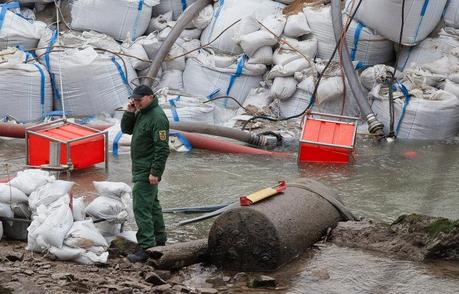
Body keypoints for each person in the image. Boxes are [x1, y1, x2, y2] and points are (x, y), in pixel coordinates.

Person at [121, 85, 170, 263]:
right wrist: (129, 112)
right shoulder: (142, 111)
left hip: (147, 170)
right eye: (134, 99)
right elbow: (127, 130)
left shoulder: (158, 118)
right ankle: (159, 240)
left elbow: (163, 148)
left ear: (150, 97)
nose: (136, 102)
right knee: (153, 206)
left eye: (139, 100)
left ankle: (146, 247)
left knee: (141, 207)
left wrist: (155, 172)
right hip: (140, 167)